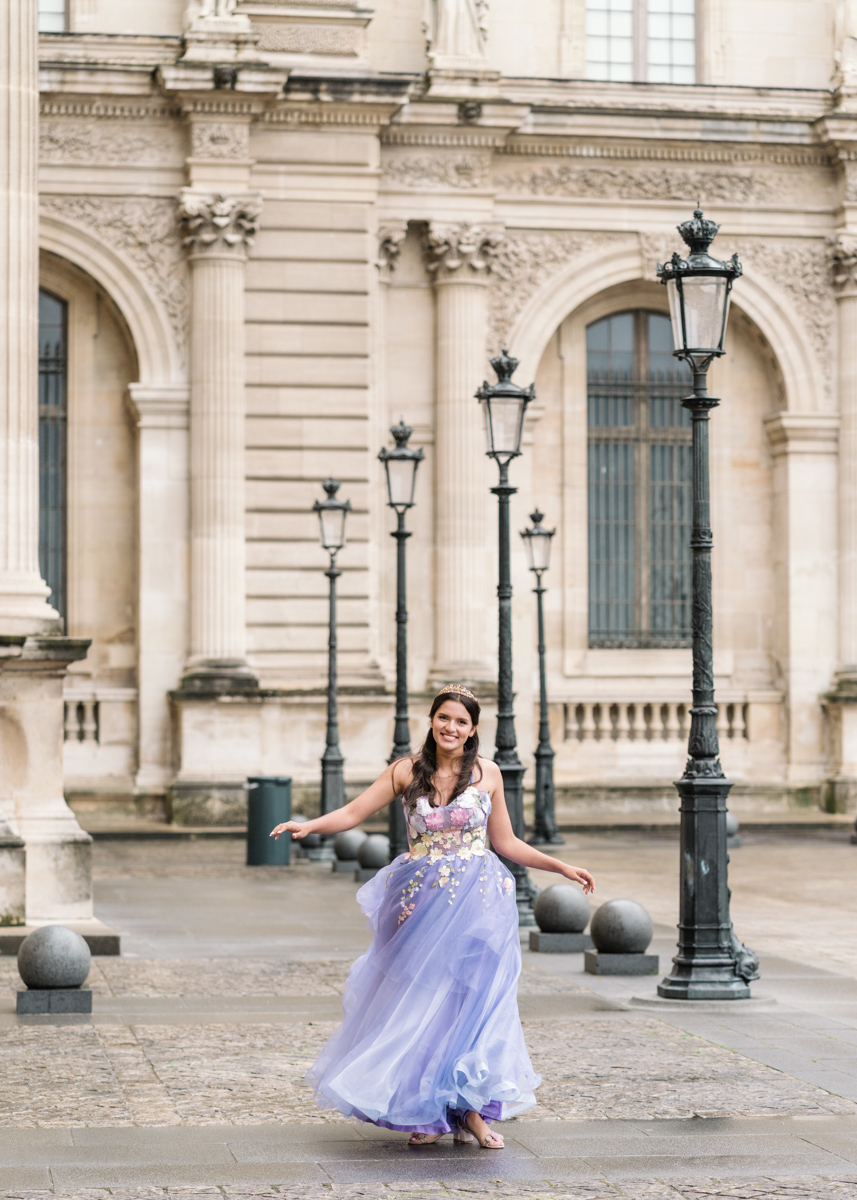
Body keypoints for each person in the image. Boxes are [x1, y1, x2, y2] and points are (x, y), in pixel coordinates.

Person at [271, 684, 595, 1149]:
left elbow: (505, 842)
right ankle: (423, 1106)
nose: (451, 727)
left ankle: (472, 1113)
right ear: (432, 720)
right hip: (420, 904)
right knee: (423, 1002)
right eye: (444, 718)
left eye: (461, 722)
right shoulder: (406, 771)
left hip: (478, 905)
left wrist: (560, 866)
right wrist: (310, 825)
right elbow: (353, 811)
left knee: (472, 1004)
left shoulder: (489, 774)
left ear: (473, 730)